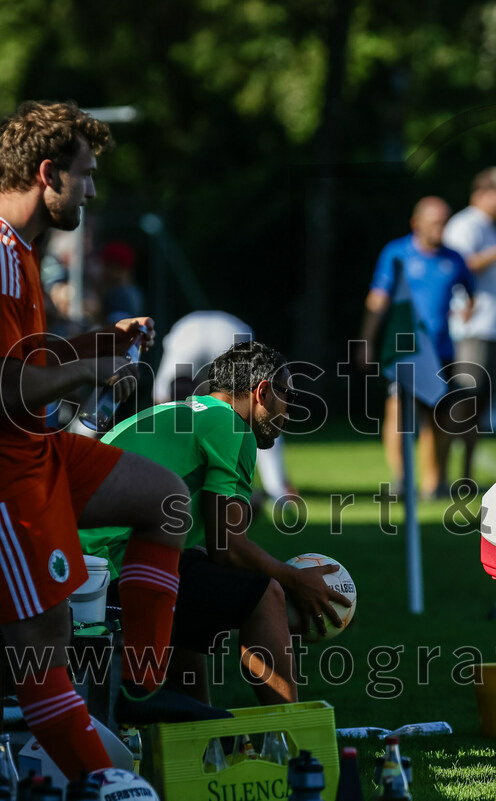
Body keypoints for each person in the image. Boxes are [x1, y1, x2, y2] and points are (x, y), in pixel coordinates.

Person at [0, 100, 225, 780]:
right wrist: (91, 367)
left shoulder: (19, 252)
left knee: (164, 496)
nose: (93, 191)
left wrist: (101, 342)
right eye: (87, 176)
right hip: (8, 474)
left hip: (37, 452)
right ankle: (105, 784)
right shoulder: (1, 256)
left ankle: (141, 683)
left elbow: (29, 366)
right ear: (48, 174)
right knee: (46, 649)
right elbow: (6, 388)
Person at [80, 340, 351, 706]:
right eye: (287, 395)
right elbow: (229, 548)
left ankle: (203, 740)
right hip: (111, 572)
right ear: (262, 392)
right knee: (264, 594)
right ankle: (294, 739)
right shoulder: (230, 424)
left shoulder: (170, 413)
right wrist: (295, 582)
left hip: (79, 569)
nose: (289, 412)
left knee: (191, 596)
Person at [360, 197, 474, 498]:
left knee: (439, 418)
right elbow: (378, 298)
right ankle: (401, 479)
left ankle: (433, 482)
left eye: (445, 221)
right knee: (397, 412)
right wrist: (367, 342)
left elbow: (470, 293)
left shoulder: (455, 258)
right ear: (417, 223)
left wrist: (465, 313)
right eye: (436, 221)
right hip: (404, 350)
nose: (441, 228)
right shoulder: (396, 253)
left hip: (442, 352)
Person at [152, 310, 299, 510]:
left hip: (191, 334)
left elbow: (163, 408)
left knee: (173, 417)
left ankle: (178, 481)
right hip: (230, 331)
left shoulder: (174, 382)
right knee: (258, 412)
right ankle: (279, 491)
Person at [443, 167, 496, 482]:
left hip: (490, 329)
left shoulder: (488, 228)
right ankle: (442, 477)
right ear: (486, 193)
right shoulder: (466, 224)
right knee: (461, 404)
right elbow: (460, 265)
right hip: (471, 330)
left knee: (477, 411)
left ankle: (464, 476)